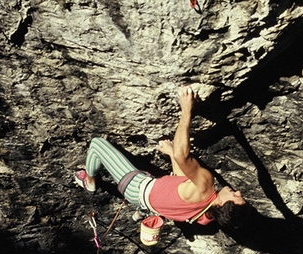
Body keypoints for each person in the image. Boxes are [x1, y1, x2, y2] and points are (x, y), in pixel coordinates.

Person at [75, 86, 248, 226]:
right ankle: (139, 215)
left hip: (136, 187)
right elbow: (181, 182)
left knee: (97, 144)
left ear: (222, 204)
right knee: (147, 202)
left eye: (236, 196)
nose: (238, 191)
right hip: (148, 202)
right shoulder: (207, 216)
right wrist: (171, 153)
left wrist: (187, 110)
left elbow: (183, 155)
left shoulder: (206, 183)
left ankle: (89, 182)